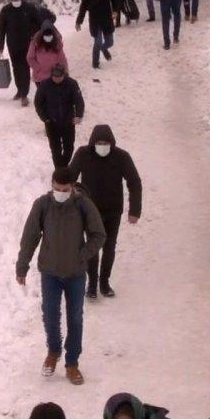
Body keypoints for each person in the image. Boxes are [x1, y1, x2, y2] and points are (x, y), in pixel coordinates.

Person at [16, 168, 106, 385]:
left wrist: (82, 255)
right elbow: (30, 236)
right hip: (50, 272)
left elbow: (98, 235)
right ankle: (53, 351)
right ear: (52, 185)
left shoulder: (83, 205)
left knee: (75, 318)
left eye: (64, 189)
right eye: (56, 188)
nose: (60, 192)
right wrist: (22, 266)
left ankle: (72, 362)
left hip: (75, 274)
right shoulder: (43, 205)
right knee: (50, 314)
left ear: (72, 187)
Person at [69, 124, 142, 299]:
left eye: (106, 142)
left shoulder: (121, 157)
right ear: (93, 142)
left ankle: (104, 282)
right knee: (92, 247)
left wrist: (135, 210)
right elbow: (69, 177)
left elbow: (134, 182)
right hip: (90, 210)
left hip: (113, 210)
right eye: (99, 142)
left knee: (109, 247)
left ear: (112, 143)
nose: (102, 145)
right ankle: (92, 284)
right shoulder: (83, 154)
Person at [0, 0, 41, 107]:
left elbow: (38, 22)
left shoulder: (29, 8)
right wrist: (0, 44)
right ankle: (19, 90)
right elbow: (1, 28)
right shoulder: (6, 10)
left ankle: (24, 94)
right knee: (16, 67)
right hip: (12, 44)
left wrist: (34, 35)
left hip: (27, 43)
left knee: (25, 67)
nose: (15, 0)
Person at [34, 63, 85, 168]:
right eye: (54, 77)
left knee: (69, 148)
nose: (56, 79)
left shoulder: (72, 84)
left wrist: (78, 115)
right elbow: (38, 103)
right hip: (51, 123)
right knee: (55, 149)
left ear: (64, 75)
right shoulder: (44, 85)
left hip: (68, 122)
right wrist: (45, 118)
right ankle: (59, 170)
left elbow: (79, 101)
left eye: (59, 77)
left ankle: (64, 166)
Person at [76, 0, 116, 69]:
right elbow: (83, 7)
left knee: (110, 42)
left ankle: (104, 48)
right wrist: (79, 21)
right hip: (95, 20)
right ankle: (95, 63)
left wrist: (115, 10)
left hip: (107, 18)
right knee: (97, 41)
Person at [27, 19, 69, 86]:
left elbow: (62, 59)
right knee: (42, 95)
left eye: (50, 35)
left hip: (54, 76)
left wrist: (65, 72)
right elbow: (30, 57)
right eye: (46, 35)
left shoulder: (57, 43)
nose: (48, 37)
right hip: (40, 77)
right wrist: (38, 68)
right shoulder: (35, 43)